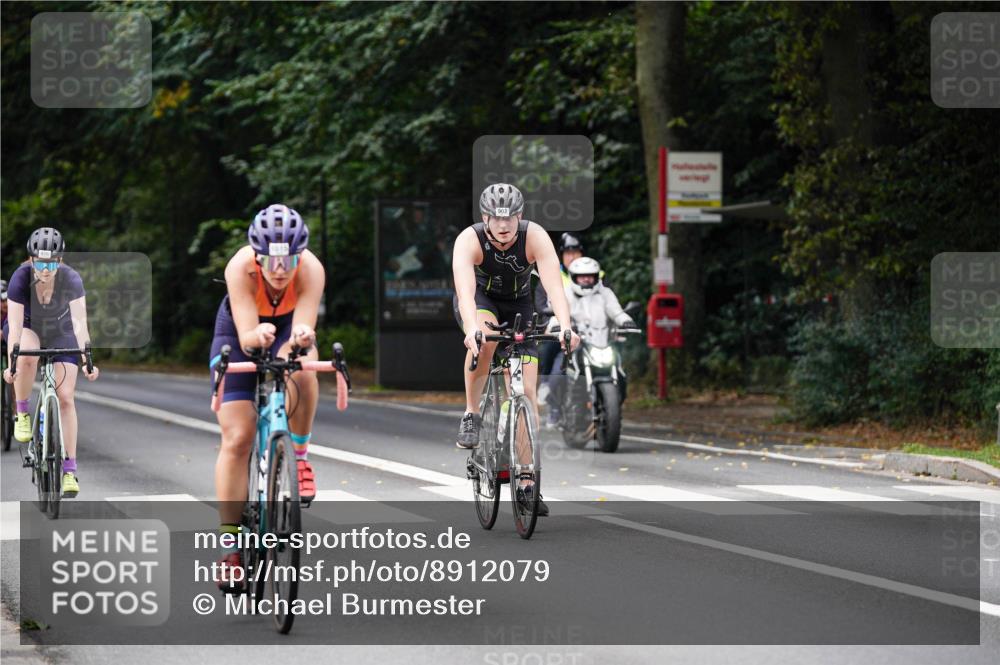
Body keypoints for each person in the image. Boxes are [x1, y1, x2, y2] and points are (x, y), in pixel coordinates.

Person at [208, 204, 325, 592]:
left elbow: (304, 324)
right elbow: (245, 336)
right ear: (257, 255)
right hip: (238, 332)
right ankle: (229, 548)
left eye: (288, 259)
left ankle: (300, 456)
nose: (279, 269)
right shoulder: (239, 269)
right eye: (270, 260)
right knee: (238, 436)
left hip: (289, 325)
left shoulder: (311, 270)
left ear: (299, 255)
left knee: (305, 372)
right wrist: (255, 336)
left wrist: (301, 339)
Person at [452, 183, 580, 515]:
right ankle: (472, 412)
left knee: (525, 393)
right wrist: (471, 330)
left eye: (511, 218)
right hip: (481, 303)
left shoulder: (534, 236)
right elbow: (465, 293)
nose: (504, 225)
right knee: (484, 339)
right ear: (485, 218)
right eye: (496, 218)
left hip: (521, 305)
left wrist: (565, 325)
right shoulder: (470, 240)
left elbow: (554, 285)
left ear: (520, 217)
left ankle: (526, 483)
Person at [2, 228, 99, 497]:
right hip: (29, 328)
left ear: (60, 260)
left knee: (66, 397)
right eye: (41, 263)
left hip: (61, 330)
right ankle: (22, 413)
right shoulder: (19, 279)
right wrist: (12, 364)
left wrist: (87, 358)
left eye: (52, 263)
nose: (46, 269)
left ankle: (69, 470)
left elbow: (80, 326)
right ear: (31, 260)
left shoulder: (71, 279)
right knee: (27, 355)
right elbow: (16, 328)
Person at [548, 256, 638, 410]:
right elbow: (557, 313)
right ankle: (556, 407)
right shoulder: (565, 293)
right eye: (582, 277)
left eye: (590, 276)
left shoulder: (605, 293)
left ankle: (614, 405)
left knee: (621, 374)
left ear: (596, 277)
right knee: (557, 374)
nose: (586, 280)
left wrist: (626, 321)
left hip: (603, 343)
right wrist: (556, 324)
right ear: (574, 277)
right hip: (577, 345)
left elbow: (616, 312)